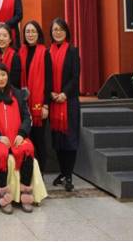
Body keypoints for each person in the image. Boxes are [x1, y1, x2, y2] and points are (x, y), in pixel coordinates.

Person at [0, 63, 35, 214]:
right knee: (1, 154)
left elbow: (27, 117)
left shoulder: (17, 94)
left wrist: (22, 134)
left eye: (3, 75)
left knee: (28, 149)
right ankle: (4, 195)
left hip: (17, 136)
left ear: (8, 75)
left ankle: (25, 193)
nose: (1, 78)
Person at [49, 18, 81, 192]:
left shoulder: (72, 51)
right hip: (54, 101)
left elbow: (75, 77)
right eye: (55, 29)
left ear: (66, 31)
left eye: (61, 29)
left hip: (69, 102)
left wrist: (64, 94)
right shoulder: (48, 51)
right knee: (58, 140)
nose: (58, 32)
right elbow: (46, 75)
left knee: (70, 139)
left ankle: (69, 175)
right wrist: (51, 93)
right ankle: (62, 172)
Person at [18, 21, 52, 172]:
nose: (30, 34)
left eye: (33, 31)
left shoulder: (45, 52)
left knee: (39, 141)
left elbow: (48, 81)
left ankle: (41, 174)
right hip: (23, 104)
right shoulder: (21, 52)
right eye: (27, 32)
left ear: (38, 34)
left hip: (39, 104)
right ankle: (28, 174)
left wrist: (45, 105)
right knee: (26, 141)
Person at [0, 23, 21, 89]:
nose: (1, 39)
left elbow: (15, 81)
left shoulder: (15, 56)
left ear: (10, 39)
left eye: (5, 36)